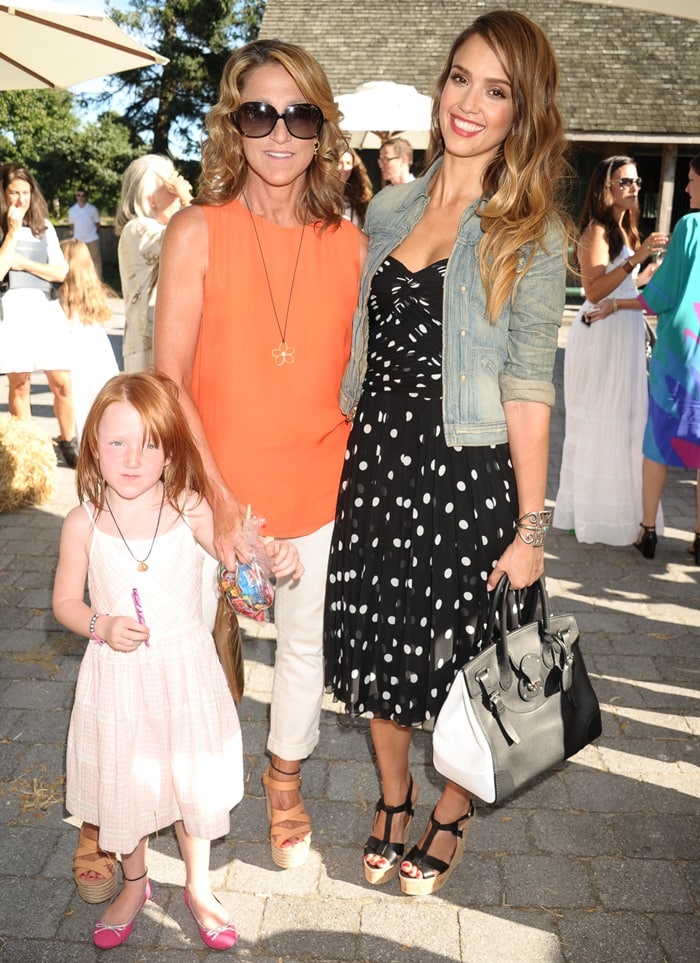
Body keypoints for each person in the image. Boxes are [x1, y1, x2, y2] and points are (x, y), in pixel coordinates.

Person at [324, 9, 569, 897]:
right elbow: (355, 346)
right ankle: (394, 799)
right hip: (379, 466)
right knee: (382, 646)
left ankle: (453, 806)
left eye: (495, 90)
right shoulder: (388, 207)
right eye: (460, 77)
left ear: (522, 111)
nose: (469, 102)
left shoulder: (530, 229)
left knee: (473, 662)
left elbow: (529, 387)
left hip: (470, 474)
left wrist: (533, 527)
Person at [154, 39, 366, 870]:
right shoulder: (194, 232)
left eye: (300, 114)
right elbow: (168, 381)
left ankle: (285, 781)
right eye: (259, 112)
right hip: (210, 491)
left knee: (305, 650)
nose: (280, 132)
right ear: (232, 125)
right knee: (180, 645)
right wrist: (217, 501)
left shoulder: (350, 246)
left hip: (318, 485)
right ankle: (139, 797)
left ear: (321, 130)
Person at [52, 371, 302, 950]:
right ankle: (134, 883)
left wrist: (270, 554)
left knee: (190, 782)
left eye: (150, 443)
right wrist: (100, 625)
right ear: (93, 447)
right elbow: (64, 601)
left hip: (186, 676)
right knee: (128, 788)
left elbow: (238, 558)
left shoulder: (188, 508)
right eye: (117, 443)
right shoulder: (82, 523)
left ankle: (198, 884)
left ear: (170, 452)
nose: (133, 458)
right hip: (117, 682)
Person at [553, 156, 668, 545]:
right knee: (600, 419)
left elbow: (624, 288)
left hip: (625, 331)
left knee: (626, 421)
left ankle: (622, 512)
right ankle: (589, 512)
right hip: (599, 333)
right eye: (626, 182)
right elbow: (594, 291)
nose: (634, 187)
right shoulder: (596, 231)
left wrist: (648, 274)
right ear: (606, 188)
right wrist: (637, 259)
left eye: (637, 181)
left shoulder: (627, 229)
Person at [634, 153, 700, 562]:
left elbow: (664, 293)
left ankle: (648, 531)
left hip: (681, 351)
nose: (689, 188)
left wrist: (632, 299)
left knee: (658, 439)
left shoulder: (690, 226)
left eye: (693, 180)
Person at [0, 163, 77, 467]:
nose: (20, 199)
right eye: (13, 193)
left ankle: (67, 440)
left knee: (62, 382)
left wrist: (23, 263)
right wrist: (12, 233)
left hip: (45, 310)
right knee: (20, 384)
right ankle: (29, 448)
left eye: (25, 192)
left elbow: (60, 271)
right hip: (11, 313)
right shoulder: (4, 229)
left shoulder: (44, 226)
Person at [115, 155, 192, 373]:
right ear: (151, 199)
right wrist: (187, 197)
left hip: (160, 341)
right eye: (171, 191)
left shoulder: (150, 229)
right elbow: (193, 237)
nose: (177, 198)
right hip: (148, 347)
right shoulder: (138, 228)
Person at [59, 238, 119, 441]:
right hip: (99, 354)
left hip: (74, 356)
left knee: (79, 402)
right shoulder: (94, 292)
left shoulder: (61, 297)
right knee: (100, 400)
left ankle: (81, 442)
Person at [68, 188, 102, 279]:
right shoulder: (72, 210)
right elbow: (72, 225)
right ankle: (80, 281)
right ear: (76, 197)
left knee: (95, 262)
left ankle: (98, 282)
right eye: (78, 195)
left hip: (92, 239)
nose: (81, 197)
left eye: (83, 195)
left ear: (86, 197)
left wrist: (92, 234)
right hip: (78, 240)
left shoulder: (92, 209)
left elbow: (97, 224)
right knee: (78, 262)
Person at [338, 147, 373, 227]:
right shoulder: (322, 196)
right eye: (340, 163)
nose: (344, 168)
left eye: (348, 163)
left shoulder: (359, 198)